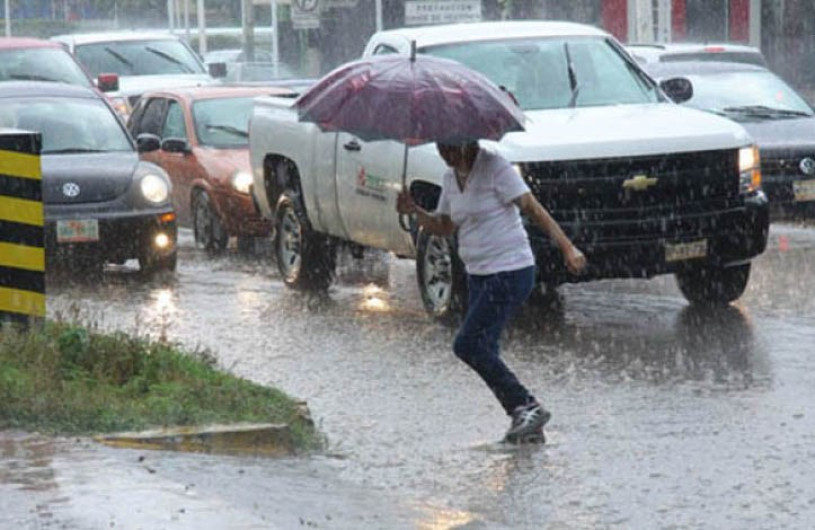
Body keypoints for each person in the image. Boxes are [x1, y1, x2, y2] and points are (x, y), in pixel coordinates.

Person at [396, 140, 587, 443]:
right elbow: (444, 225)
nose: (446, 154)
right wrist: (415, 211)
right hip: (478, 274)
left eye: (451, 147)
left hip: (511, 269)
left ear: (468, 141)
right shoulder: (449, 177)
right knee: (487, 347)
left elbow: (533, 209)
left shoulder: (495, 167)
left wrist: (568, 248)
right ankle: (525, 422)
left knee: (468, 344)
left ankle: (526, 405)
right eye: (441, 149)